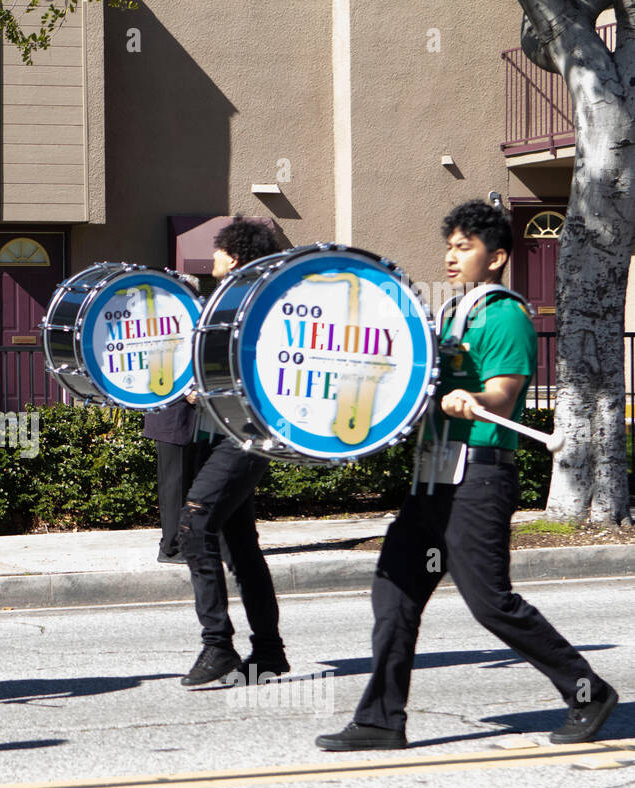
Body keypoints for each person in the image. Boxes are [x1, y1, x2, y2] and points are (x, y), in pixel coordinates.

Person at [316, 200, 618, 750]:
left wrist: (470, 398)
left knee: (491, 604)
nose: (451, 256)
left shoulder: (504, 314)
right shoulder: (454, 313)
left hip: (478, 479)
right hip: (433, 479)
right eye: (449, 246)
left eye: (465, 247)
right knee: (394, 590)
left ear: (497, 256)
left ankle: (589, 692)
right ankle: (382, 719)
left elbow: (502, 396)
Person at [179, 216, 288, 688]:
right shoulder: (244, 302)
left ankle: (217, 644)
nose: (214, 258)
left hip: (246, 435)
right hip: (240, 431)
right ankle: (268, 652)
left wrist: (202, 390)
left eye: (219, 251)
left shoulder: (248, 304)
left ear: (236, 256)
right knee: (241, 547)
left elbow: (256, 371)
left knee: (195, 523)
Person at [144, 398, 201, 564]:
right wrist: (185, 392)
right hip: (172, 420)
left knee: (188, 485)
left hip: (189, 421)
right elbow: (157, 374)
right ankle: (171, 549)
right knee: (174, 487)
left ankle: (185, 544)